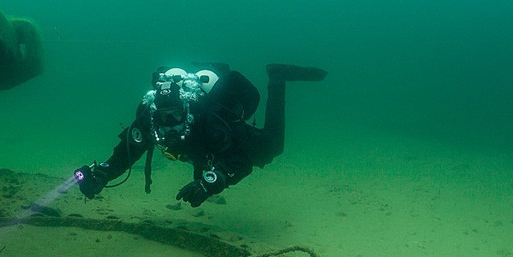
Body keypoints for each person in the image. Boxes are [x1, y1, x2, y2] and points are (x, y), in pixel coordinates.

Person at [75, 63, 326, 207]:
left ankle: (278, 77)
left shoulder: (209, 119)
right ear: (154, 114)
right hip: (199, 149)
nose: (170, 124)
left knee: (272, 147)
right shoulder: (148, 120)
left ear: (186, 110)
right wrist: (100, 176)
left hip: (220, 130)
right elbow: (123, 156)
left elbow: (240, 161)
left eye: (176, 116)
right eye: (165, 117)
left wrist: (212, 181)